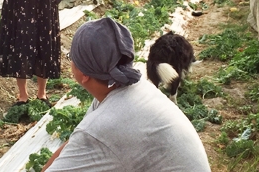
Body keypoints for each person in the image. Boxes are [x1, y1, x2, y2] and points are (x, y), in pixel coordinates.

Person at [42, 18, 211, 172]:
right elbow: (71, 144)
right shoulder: (129, 88)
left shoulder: (103, 127)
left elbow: (89, 136)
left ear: (84, 74)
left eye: (72, 57)